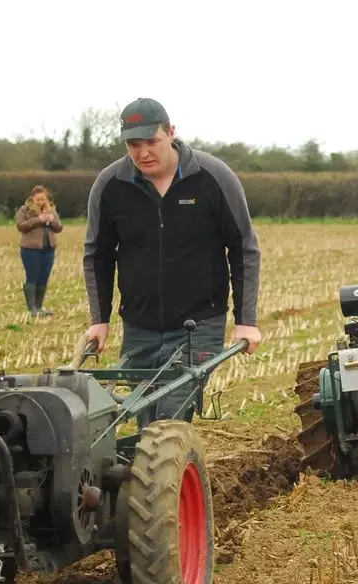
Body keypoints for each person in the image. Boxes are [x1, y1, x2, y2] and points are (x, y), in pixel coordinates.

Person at [82, 97, 262, 425]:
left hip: (199, 325)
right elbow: (98, 255)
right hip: (139, 326)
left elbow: (244, 248)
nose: (143, 153)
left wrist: (246, 320)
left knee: (170, 419)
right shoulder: (111, 185)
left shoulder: (213, 177)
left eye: (151, 142)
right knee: (143, 418)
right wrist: (99, 319)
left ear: (171, 132)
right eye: (133, 145)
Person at [15, 184, 63, 317]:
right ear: (33, 199)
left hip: (49, 249)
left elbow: (59, 227)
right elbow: (21, 226)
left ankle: (39, 307)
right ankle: (32, 309)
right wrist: (38, 220)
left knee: (43, 278)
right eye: (38, 200)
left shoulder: (51, 210)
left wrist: (51, 221)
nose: (41, 202)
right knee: (32, 277)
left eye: (43, 199)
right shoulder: (24, 210)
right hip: (30, 250)